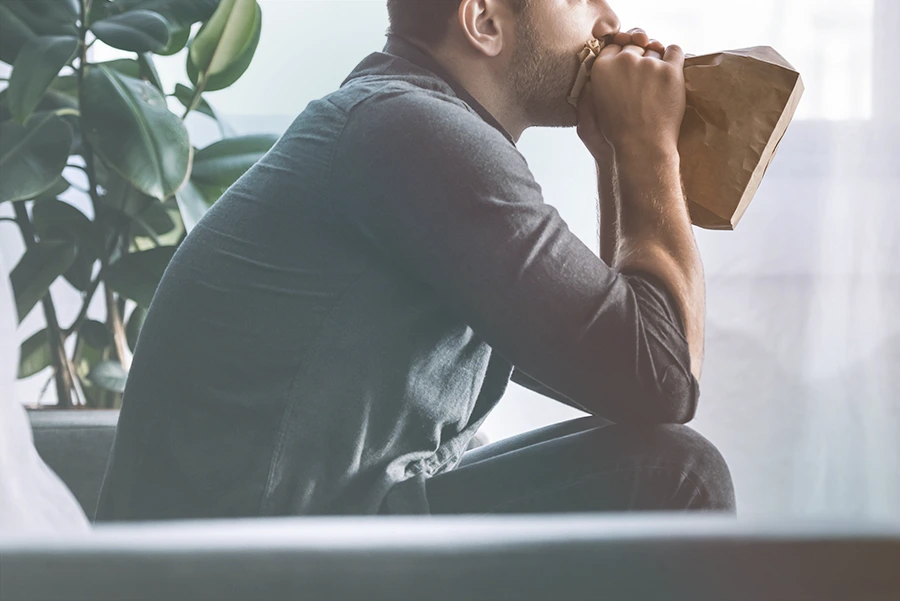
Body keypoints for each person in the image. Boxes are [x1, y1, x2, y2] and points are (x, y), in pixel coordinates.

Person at [96, 0, 735, 520]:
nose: (609, 18)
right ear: (484, 21)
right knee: (677, 475)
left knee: (658, 459)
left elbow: (619, 379)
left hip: (296, 536)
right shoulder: (417, 133)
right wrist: (650, 144)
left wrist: (620, 158)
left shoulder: (402, 122)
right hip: (247, 568)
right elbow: (661, 380)